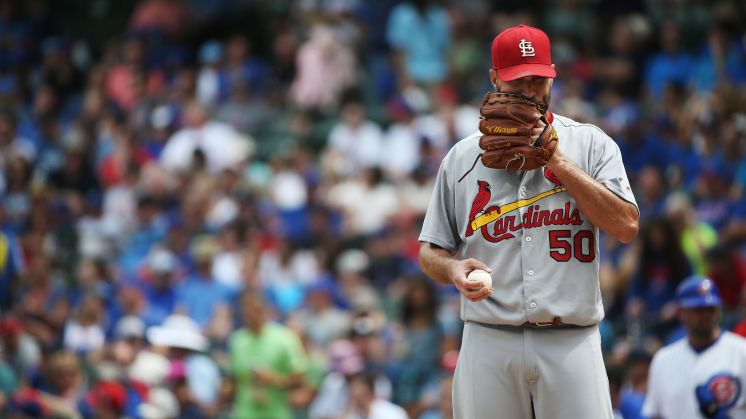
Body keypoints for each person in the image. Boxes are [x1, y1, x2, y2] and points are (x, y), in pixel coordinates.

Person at [418, 25, 639, 419]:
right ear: (494, 78)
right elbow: (429, 251)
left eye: (538, 79)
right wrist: (452, 268)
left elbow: (625, 225)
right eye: (518, 80)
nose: (529, 90)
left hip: (571, 339)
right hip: (489, 338)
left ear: (552, 74)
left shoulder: (590, 144)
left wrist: (557, 160)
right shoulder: (460, 159)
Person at [642, 276, 746, 418]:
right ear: (680, 312)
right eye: (698, 309)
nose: (706, 315)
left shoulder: (741, 352)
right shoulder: (662, 360)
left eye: (710, 309)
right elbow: (654, 414)